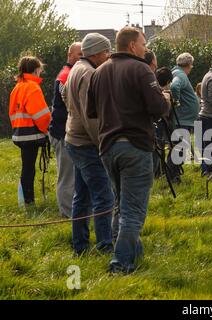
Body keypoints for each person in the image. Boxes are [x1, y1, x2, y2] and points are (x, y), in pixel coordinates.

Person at [87, 27, 169, 274]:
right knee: (133, 211)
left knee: (122, 205)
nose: (145, 48)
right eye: (143, 44)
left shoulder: (99, 72)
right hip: (135, 145)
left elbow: (92, 112)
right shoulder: (141, 68)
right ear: (133, 45)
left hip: (107, 147)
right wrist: (166, 99)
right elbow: (157, 108)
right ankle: (120, 264)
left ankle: (133, 252)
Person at [63, 33, 114, 256]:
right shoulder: (90, 73)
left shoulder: (76, 68)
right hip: (86, 143)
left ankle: (80, 245)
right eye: (106, 51)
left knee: (81, 196)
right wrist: (103, 143)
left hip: (73, 138)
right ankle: (105, 246)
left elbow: (66, 97)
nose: (109, 55)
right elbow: (90, 116)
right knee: (104, 195)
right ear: (96, 52)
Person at [9, 56, 51, 206]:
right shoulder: (32, 87)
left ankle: (26, 201)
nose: (41, 71)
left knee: (27, 167)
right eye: (40, 69)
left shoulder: (17, 87)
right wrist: (48, 131)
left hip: (19, 133)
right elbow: (41, 115)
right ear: (35, 69)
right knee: (28, 169)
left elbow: (12, 113)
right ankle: (28, 202)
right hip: (31, 134)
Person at [48, 42, 82, 218]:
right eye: (78, 54)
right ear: (70, 55)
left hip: (66, 131)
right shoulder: (65, 75)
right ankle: (67, 214)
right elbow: (69, 102)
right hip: (61, 133)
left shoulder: (71, 73)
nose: (81, 57)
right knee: (67, 176)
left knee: (73, 175)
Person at [171, 53, 200, 131]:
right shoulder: (181, 75)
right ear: (189, 65)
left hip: (182, 120)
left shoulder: (176, 72)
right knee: (182, 143)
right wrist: (176, 102)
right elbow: (174, 86)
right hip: (182, 121)